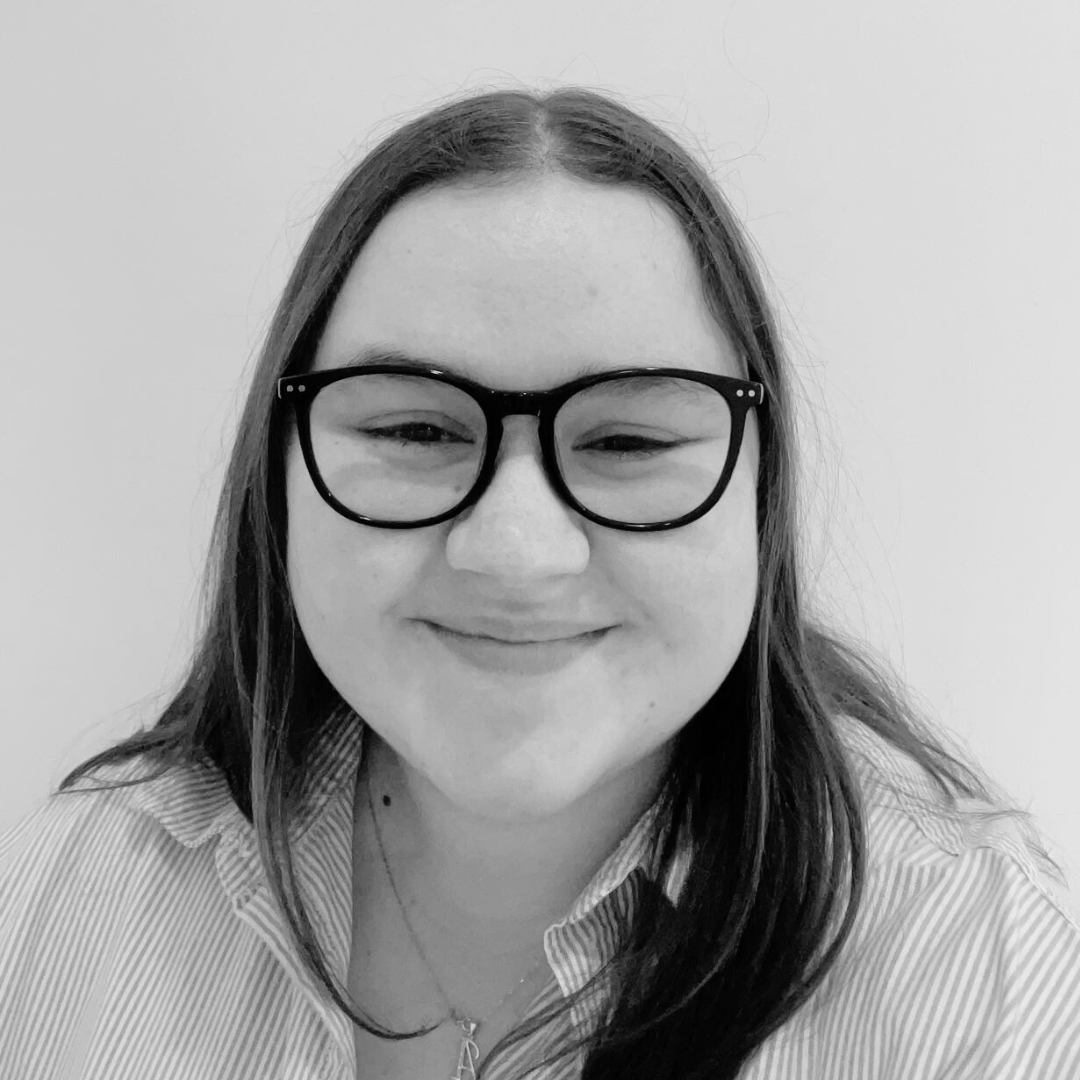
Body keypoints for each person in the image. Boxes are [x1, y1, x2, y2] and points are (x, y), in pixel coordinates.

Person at [1, 86, 1078, 1080]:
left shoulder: (975, 959)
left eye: (626, 440)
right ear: (276, 478)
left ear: (761, 490)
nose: (517, 548)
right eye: (415, 428)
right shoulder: (104, 875)